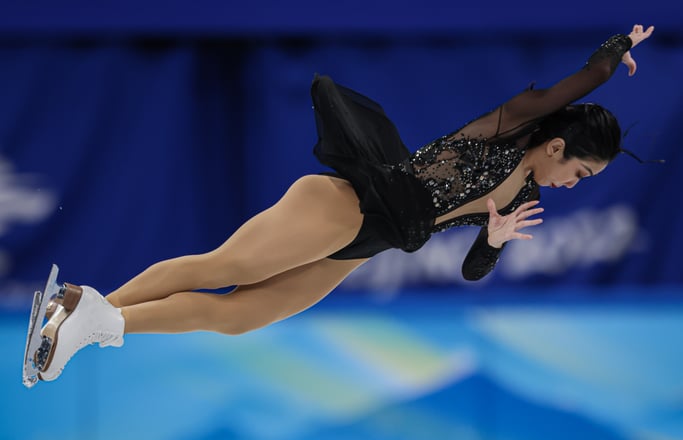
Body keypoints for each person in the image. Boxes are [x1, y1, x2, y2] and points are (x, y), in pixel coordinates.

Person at [33, 25, 653, 382]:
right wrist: (613, 52)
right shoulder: (508, 126)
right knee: (222, 269)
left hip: (362, 247)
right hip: (346, 205)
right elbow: (569, 87)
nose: (574, 184)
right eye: (579, 170)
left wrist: (491, 241)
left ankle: (88, 319)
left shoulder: (522, 195)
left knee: (238, 316)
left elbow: (472, 271)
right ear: (557, 144)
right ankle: (87, 313)